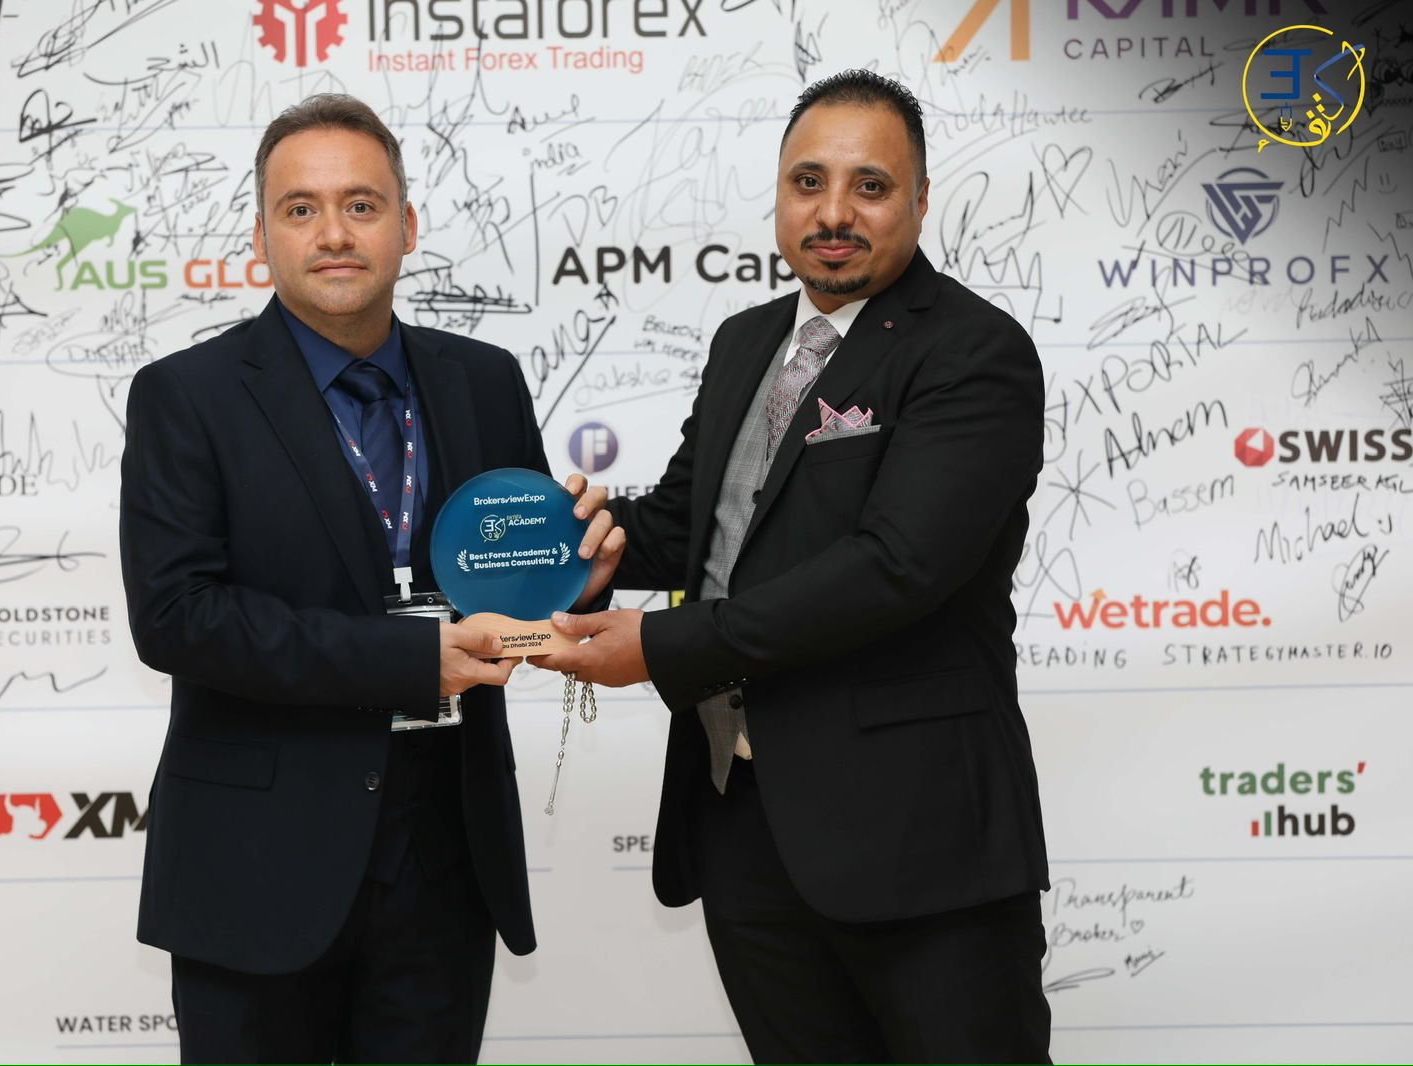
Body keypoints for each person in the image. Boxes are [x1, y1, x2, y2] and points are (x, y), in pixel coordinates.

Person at [538, 70, 1052, 1063]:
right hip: (743, 821)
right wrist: (580, 550)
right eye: (808, 182)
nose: (834, 213)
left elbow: (895, 568)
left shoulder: (973, 352)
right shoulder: (746, 342)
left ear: (920, 201)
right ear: (778, 194)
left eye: (870, 186)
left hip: (917, 838)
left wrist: (660, 646)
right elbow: (692, 524)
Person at [119, 93, 620, 1064]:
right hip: (256, 867)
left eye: (361, 203)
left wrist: (576, 584)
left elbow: (507, 594)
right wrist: (410, 658)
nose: (335, 233)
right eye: (300, 208)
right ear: (261, 236)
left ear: (407, 225)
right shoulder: (187, 395)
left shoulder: (484, 379)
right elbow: (178, 616)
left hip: (444, 859)